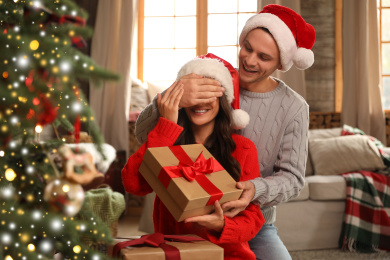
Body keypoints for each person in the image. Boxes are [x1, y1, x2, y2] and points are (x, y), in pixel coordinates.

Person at [134, 4, 316, 260]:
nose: (250, 61)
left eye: (264, 57)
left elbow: (293, 179)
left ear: (280, 63)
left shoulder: (294, 108)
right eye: (247, 48)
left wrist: (254, 189)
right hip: (187, 216)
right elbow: (143, 136)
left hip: (255, 222)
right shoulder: (212, 79)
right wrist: (169, 98)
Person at [122, 53, 265, 260]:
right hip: (175, 254)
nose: (200, 103)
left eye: (208, 93)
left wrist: (223, 224)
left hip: (228, 255)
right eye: (195, 95)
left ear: (223, 99)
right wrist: (166, 124)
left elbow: (252, 217)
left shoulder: (243, 148)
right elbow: (133, 184)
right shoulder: (166, 141)